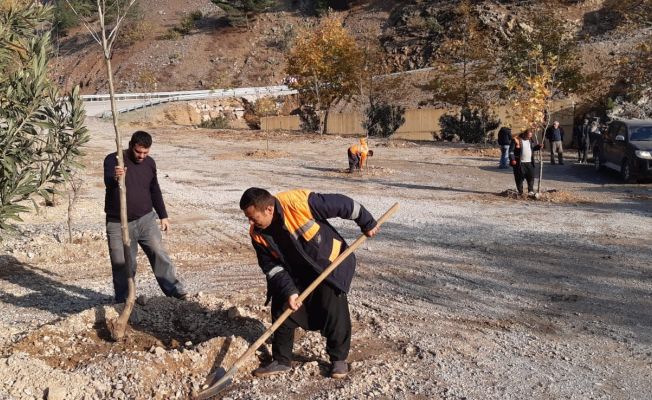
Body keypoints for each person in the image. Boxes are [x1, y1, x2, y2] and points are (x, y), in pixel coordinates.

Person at [239, 187, 379, 379]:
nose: (250, 222)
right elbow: (271, 267)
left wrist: (367, 221)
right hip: (297, 273)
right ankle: (281, 360)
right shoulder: (257, 234)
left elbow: (344, 204)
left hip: (329, 264)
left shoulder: (297, 202)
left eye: (253, 217)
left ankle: (338, 360)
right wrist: (289, 291)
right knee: (282, 307)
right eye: (248, 217)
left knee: (333, 304)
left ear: (269, 210)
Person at [103, 130, 187, 303]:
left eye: (145, 153)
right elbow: (108, 182)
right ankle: (124, 302)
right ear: (131, 146)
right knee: (122, 264)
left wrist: (163, 215)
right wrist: (116, 176)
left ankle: (175, 292)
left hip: (146, 220)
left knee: (160, 254)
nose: (141, 156)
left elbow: (154, 189)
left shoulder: (150, 163)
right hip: (118, 224)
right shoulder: (113, 159)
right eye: (138, 152)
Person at [509, 129, 543, 196]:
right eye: (528, 136)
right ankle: (520, 192)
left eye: (530, 136)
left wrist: (538, 147)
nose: (529, 137)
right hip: (520, 163)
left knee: (531, 177)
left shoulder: (530, 140)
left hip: (529, 163)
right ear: (524, 134)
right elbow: (511, 151)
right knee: (519, 178)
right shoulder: (516, 140)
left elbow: (532, 149)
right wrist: (512, 159)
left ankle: (530, 191)